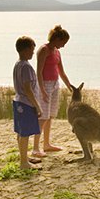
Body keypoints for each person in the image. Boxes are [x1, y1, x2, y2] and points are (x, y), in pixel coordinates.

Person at [35, 25, 74, 156]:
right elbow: (39, 72)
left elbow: (61, 72)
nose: (63, 45)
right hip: (44, 85)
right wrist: (42, 90)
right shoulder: (44, 50)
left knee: (50, 115)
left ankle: (46, 144)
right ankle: (36, 147)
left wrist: (70, 87)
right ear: (57, 38)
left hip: (55, 84)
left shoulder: (57, 52)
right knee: (42, 117)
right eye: (63, 42)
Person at [12, 36, 43, 170]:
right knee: (25, 134)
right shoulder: (26, 67)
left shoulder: (18, 64)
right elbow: (28, 89)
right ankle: (24, 163)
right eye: (31, 49)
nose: (33, 52)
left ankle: (23, 157)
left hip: (19, 101)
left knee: (21, 132)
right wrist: (37, 105)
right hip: (26, 103)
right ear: (24, 50)